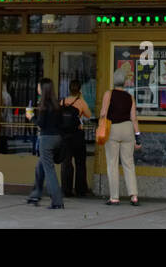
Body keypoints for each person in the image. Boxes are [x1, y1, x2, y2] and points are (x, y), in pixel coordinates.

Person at [100, 68, 142, 206]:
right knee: (129, 163)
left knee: (112, 163)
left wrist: (101, 126)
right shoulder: (130, 97)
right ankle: (134, 196)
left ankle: (114, 197)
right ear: (124, 82)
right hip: (128, 129)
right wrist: (138, 138)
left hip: (113, 128)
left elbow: (103, 113)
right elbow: (134, 118)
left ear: (114, 80)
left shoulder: (108, 94)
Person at [26, 77, 64, 209]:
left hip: (46, 139)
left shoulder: (43, 105)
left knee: (49, 170)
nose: (37, 88)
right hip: (57, 138)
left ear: (43, 89)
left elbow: (41, 124)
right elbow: (60, 123)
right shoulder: (57, 104)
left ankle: (57, 201)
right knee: (40, 167)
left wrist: (31, 117)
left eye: (38, 86)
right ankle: (35, 195)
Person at [59, 79, 93, 198]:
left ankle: (66, 190)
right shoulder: (81, 102)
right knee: (80, 162)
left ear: (69, 89)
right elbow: (89, 115)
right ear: (79, 90)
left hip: (64, 136)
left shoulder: (62, 102)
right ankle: (80, 189)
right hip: (77, 135)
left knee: (66, 162)